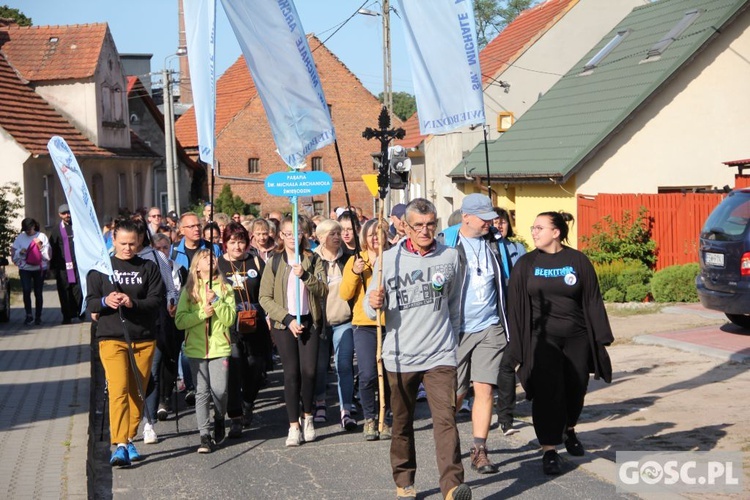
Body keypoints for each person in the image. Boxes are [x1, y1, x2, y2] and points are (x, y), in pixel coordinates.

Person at [365, 198, 471, 500]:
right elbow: (369, 309)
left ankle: (452, 487)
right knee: (402, 421)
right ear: (405, 227)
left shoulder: (450, 257)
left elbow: (454, 305)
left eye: (430, 225)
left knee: (446, 421)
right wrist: (374, 303)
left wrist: (454, 341)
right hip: (400, 355)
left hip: (440, 354)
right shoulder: (388, 260)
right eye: (419, 226)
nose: (425, 231)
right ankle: (404, 478)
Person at [507, 211, 613, 475]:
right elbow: (516, 305)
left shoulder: (577, 260)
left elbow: (591, 298)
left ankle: (569, 429)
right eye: (533, 227)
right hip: (541, 339)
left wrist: (600, 337)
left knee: (576, 388)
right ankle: (549, 449)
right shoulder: (526, 264)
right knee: (547, 392)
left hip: (576, 336)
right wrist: (517, 344)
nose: (534, 232)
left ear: (556, 232)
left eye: (539, 228)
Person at [438, 194, 511, 475]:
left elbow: (509, 277)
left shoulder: (496, 243)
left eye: (491, 217)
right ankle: (447, 440)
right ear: (466, 216)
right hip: (456, 330)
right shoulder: (447, 242)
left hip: (490, 326)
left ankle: (480, 450)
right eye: (483, 217)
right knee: (455, 394)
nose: (489, 222)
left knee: (485, 388)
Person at [86, 219, 165, 466]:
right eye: (122, 243)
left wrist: (133, 303)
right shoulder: (100, 268)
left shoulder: (148, 267)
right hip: (111, 337)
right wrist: (105, 300)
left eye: (132, 243)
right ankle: (119, 444)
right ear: (113, 241)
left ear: (140, 241)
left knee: (137, 393)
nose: (128, 248)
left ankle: (129, 438)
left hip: (142, 338)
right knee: (118, 389)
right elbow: (89, 303)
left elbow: (156, 302)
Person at [259, 216, 327, 447]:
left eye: (296, 233)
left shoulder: (313, 259)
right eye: (287, 233)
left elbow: (323, 289)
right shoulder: (274, 261)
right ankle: (293, 426)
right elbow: (264, 298)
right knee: (291, 374)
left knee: (309, 371)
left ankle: (308, 416)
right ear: (280, 236)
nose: (291, 238)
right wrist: (287, 319)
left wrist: (305, 276)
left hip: (309, 321)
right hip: (284, 324)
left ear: (304, 235)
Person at [175, 249, 236, 454]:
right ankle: (205, 435)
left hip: (219, 347)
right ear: (196, 266)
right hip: (196, 349)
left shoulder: (226, 288)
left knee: (220, 390)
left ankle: (219, 417)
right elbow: (180, 321)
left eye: (212, 257)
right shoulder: (189, 290)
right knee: (201, 392)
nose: (210, 261)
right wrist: (202, 313)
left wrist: (217, 301)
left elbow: (229, 320)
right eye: (204, 258)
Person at [340, 217, 391, 441]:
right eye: (371, 234)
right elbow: (345, 294)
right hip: (364, 324)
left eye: (379, 233)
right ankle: (370, 418)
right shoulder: (357, 260)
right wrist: (354, 273)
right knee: (368, 373)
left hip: (390, 323)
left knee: (389, 375)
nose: (374, 238)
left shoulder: (393, 258)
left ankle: (385, 417)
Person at [217, 222, 271, 438]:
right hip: (229, 324)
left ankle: (248, 401)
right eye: (232, 242)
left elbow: (267, 291)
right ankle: (236, 417)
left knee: (256, 368)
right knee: (234, 370)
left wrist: (269, 316)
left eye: (241, 242)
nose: (237, 247)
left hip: (256, 322)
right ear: (225, 244)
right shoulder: (218, 264)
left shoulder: (256, 261)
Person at [313, 219, 357, 431]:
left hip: (344, 321)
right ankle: (320, 403)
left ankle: (346, 410)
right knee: (320, 367)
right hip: (319, 323)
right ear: (320, 237)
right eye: (332, 233)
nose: (338, 236)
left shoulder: (348, 259)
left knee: (344, 366)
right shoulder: (311, 260)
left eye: (339, 232)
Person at [492, 207, 526, 436]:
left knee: (512, 363)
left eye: (502, 221)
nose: (499, 226)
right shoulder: (487, 247)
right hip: (495, 312)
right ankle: (505, 415)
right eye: (494, 222)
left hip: (516, 310)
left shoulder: (517, 248)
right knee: (503, 365)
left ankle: (508, 413)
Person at [48, 204, 83, 324]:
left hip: (78, 265)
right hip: (62, 267)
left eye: (68, 212)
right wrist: (52, 267)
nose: (67, 215)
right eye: (64, 213)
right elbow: (53, 248)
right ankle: (66, 316)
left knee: (78, 290)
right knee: (64, 291)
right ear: (60, 215)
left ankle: (80, 311)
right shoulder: (56, 230)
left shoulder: (77, 226)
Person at [11, 218, 50, 325]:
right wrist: (20, 252)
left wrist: (40, 247)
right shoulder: (20, 237)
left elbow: (48, 256)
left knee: (38, 292)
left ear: (33, 226)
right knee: (26, 290)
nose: (27, 231)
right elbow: (13, 255)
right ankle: (28, 315)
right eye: (25, 229)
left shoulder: (41, 236)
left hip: (39, 269)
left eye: (29, 229)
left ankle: (38, 316)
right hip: (25, 269)